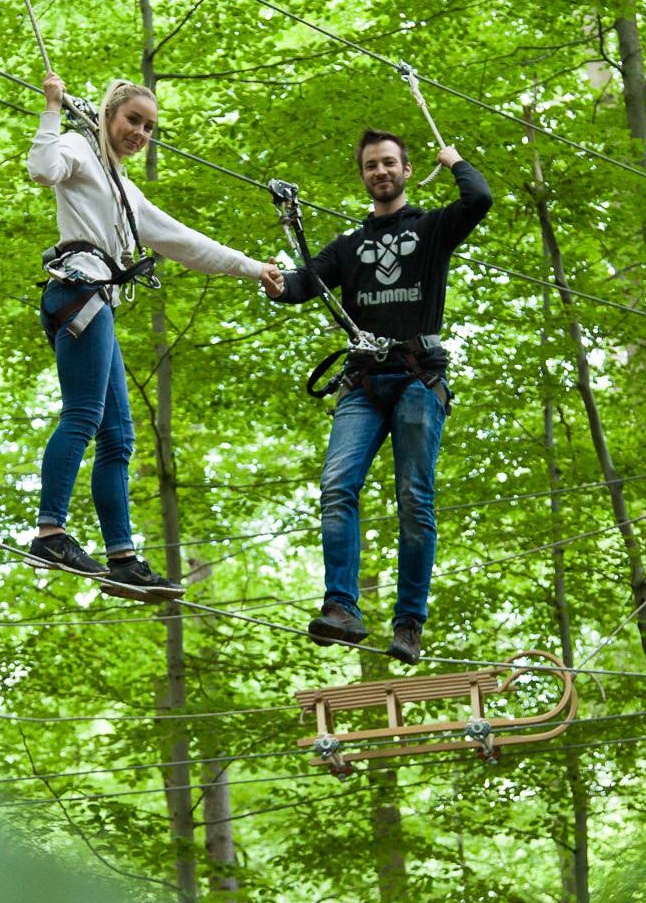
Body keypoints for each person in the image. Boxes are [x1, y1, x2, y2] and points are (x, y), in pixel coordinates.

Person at [26, 72, 271, 600]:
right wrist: (51, 107)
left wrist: (253, 268)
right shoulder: (76, 146)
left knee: (119, 436)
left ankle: (123, 558)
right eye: (133, 120)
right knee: (85, 416)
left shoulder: (126, 191)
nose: (141, 133)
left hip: (98, 302)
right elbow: (42, 169)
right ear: (109, 116)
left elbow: (187, 243)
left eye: (149, 127)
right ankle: (50, 532)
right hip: (79, 290)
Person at [259, 130, 491, 662]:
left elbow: (478, 199)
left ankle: (409, 623)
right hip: (364, 382)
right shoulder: (350, 246)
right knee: (337, 486)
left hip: (416, 378)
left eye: (389, 163)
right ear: (364, 176)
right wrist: (275, 284)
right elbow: (303, 284)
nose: (380, 171)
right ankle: (341, 606)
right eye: (371, 166)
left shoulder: (433, 228)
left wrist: (454, 160)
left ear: (407, 171)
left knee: (414, 498)